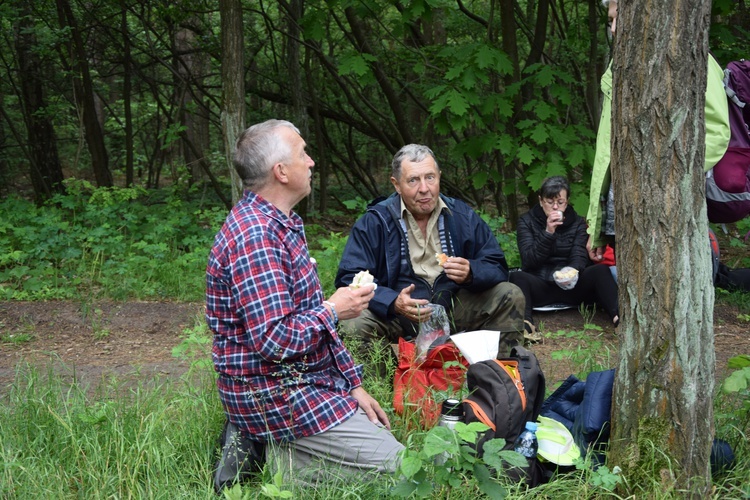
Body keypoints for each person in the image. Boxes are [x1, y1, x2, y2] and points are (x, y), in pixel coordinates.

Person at [206, 119, 404, 489]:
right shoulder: (257, 238)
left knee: (391, 452)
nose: (311, 162)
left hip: (306, 380)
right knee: (403, 474)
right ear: (280, 171)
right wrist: (333, 309)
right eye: (303, 153)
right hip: (276, 393)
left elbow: (314, 329)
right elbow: (275, 340)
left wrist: (353, 385)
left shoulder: (280, 223)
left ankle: (273, 448)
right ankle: (268, 449)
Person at [335, 144, 526, 355]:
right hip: (400, 315)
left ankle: (497, 375)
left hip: (454, 307)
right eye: (413, 180)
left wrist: (472, 272)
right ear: (396, 185)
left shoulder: (462, 216)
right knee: (352, 323)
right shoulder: (375, 222)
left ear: (439, 177)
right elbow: (349, 278)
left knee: (510, 294)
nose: (424, 188)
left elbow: (497, 264)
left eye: (430, 177)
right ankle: (389, 384)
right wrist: (392, 301)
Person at [587, 0, 730, 261]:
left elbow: (718, 133)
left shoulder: (690, 56)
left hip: (671, 210)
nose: (615, 29)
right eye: (610, 21)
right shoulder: (616, 70)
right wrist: (597, 227)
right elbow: (606, 154)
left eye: (621, 18)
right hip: (624, 209)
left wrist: (664, 179)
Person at [510, 176, 619, 333]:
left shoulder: (578, 223)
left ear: (567, 202)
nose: (555, 207)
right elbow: (529, 260)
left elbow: (579, 255)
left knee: (600, 271)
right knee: (517, 277)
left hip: (572, 285)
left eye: (560, 203)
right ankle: (526, 324)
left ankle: (618, 319)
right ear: (541, 201)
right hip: (542, 284)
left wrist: (572, 271)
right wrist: (548, 233)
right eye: (550, 202)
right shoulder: (526, 222)